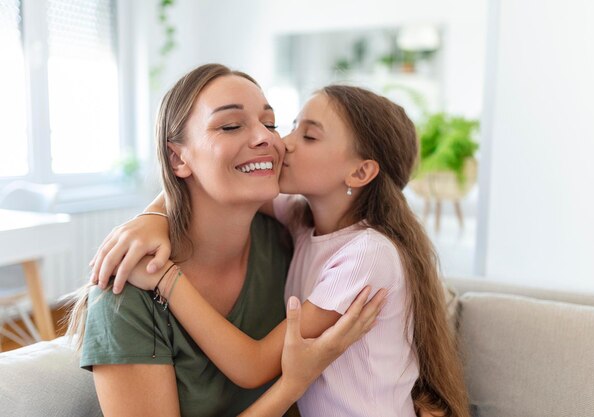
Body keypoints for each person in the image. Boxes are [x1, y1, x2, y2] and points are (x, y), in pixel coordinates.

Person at [91, 82, 469, 416]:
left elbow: (253, 366)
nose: (278, 142)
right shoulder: (303, 222)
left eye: (308, 136)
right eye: (286, 128)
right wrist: (149, 218)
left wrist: (166, 277)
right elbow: (195, 188)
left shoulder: (364, 253)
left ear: (359, 173)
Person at [67, 63, 386, 417]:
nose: (268, 138)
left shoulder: (287, 241)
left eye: (270, 123)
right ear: (178, 157)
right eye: (231, 125)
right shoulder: (127, 290)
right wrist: (291, 386)